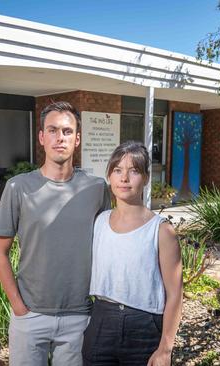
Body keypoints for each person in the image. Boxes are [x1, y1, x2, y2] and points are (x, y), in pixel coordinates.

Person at [0, 101, 110, 366]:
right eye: (53, 130)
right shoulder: (18, 187)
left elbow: (107, 245)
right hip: (30, 315)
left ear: (77, 139)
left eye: (67, 131)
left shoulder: (96, 188)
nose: (60, 137)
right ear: (42, 137)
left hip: (79, 316)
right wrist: (18, 306)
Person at [83, 141, 183, 366]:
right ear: (109, 176)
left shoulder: (161, 230)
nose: (124, 178)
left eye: (134, 171)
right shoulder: (99, 222)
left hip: (144, 327)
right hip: (101, 321)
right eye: (117, 170)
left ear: (146, 178)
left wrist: (165, 348)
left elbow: (175, 294)